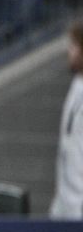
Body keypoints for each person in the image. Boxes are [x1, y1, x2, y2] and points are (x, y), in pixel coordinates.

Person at [49, 19, 83, 220]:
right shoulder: (77, 87)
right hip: (66, 209)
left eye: (73, 46)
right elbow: (67, 153)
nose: (69, 52)